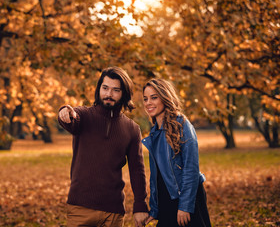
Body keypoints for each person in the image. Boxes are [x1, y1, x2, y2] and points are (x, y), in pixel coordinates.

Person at [58, 67, 149, 227]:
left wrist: (140, 205)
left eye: (115, 90)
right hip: (81, 209)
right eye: (105, 88)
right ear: (99, 88)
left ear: (124, 94)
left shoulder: (132, 129)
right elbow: (72, 117)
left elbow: (137, 171)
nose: (109, 94)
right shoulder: (84, 116)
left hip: (113, 212)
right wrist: (64, 112)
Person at [141, 79, 211, 227]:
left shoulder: (182, 125)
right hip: (167, 200)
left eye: (154, 97)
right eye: (145, 99)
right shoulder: (154, 134)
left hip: (187, 199)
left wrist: (185, 206)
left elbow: (191, 169)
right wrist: (154, 210)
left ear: (165, 97)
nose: (148, 103)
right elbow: (156, 178)